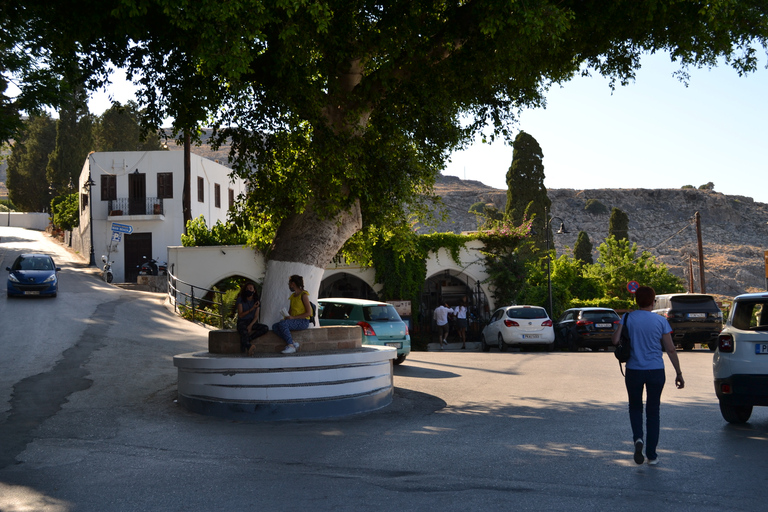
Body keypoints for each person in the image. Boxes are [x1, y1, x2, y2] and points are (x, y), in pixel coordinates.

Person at [611, 285, 684, 466]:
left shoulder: (627, 318)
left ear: (636, 301)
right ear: (653, 301)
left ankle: (638, 439)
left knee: (635, 407)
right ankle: (652, 455)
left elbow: (614, 341)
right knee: (653, 412)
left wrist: (622, 323)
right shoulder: (660, 321)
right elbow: (671, 349)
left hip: (634, 371)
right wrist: (678, 373)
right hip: (656, 371)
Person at [273, 275, 312, 354]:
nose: (289, 285)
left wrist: (293, 317)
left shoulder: (304, 295)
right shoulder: (293, 297)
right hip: (294, 319)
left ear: (293, 284)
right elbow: (290, 312)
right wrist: (286, 318)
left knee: (283, 324)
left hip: (303, 321)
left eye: (289, 283)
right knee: (275, 326)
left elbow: (309, 312)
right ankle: (293, 342)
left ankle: (291, 346)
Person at [236, 282, 262, 354]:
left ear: (254, 291)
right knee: (244, 331)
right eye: (247, 289)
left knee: (265, 328)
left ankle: (247, 340)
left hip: (251, 321)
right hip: (242, 321)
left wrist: (250, 325)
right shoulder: (240, 300)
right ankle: (248, 346)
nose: (248, 290)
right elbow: (241, 315)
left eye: (250, 288)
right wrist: (252, 308)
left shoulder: (256, 301)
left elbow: (256, 316)